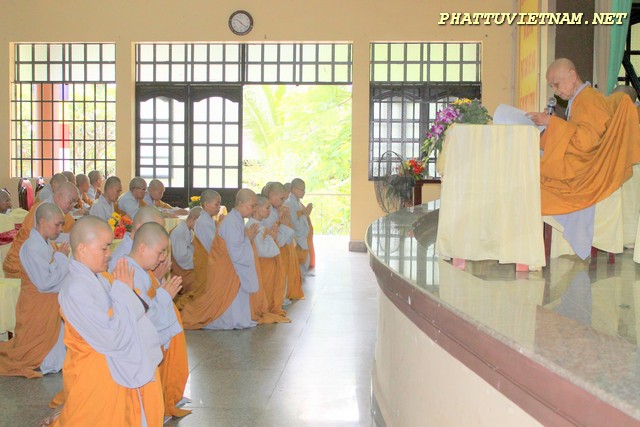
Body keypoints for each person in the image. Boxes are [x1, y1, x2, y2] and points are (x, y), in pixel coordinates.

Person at [49, 216, 164, 426]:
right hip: (93, 372)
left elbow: (124, 312)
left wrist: (125, 292)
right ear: (82, 248)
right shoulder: (76, 289)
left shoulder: (99, 278)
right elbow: (111, 337)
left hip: (109, 369)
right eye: (104, 248)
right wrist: (124, 292)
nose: (109, 254)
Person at [528, 58, 640, 215]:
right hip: (579, 167)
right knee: (532, 178)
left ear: (572, 76)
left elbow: (586, 143)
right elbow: (575, 133)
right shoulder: (578, 99)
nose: (555, 91)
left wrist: (552, 123)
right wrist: (552, 124)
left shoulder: (589, 99)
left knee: (534, 189)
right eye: (551, 86)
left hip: (586, 175)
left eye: (557, 84)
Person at [122, 222, 190, 419]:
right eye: (160, 252)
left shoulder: (140, 270)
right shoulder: (128, 273)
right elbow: (142, 318)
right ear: (143, 248)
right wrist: (164, 296)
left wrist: (160, 286)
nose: (162, 259)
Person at [0, 203, 70, 378]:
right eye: (57, 224)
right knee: (30, 352)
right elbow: (44, 282)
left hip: (48, 305)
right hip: (36, 306)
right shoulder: (31, 246)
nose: (60, 229)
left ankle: (47, 361)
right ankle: (37, 361)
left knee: (55, 349)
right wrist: (61, 259)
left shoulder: (46, 243)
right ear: (43, 221)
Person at [181, 189, 260, 330]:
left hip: (229, 266)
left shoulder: (236, 219)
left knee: (234, 296)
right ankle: (226, 320)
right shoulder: (232, 222)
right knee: (225, 298)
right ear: (241, 203)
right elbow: (235, 251)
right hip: (225, 267)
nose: (254, 209)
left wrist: (246, 239)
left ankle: (236, 319)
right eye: (252, 205)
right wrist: (248, 239)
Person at [3, 182, 77, 278]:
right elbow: (49, 237)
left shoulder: (52, 208)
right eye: (71, 201)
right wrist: (74, 238)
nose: (72, 206)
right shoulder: (43, 210)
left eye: (74, 202)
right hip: (20, 266)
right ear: (59, 196)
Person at [247, 194, 289, 322]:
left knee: (269, 288)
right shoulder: (253, 226)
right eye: (267, 208)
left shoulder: (260, 225)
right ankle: (263, 308)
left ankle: (269, 306)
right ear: (256, 208)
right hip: (262, 265)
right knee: (264, 288)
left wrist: (272, 236)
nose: (269, 211)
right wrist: (271, 237)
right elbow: (261, 250)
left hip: (268, 264)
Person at [264, 182, 303, 301]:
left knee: (283, 273)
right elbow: (274, 238)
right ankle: (277, 298)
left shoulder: (275, 210)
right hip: (272, 251)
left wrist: (283, 219)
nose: (283, 202)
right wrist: (284, 224)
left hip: (282, 248)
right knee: (276, 276)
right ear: (272, 195)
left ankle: (281, 296)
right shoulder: (267, 213)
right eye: (281, 199)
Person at [108, 206, 164, 272]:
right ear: (139, 228)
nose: (160, 237)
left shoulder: (145, 251)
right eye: (156, 231)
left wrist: (156, 277)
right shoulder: (124, 260)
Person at [284, 178, 315, 275]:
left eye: (304, 190)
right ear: (293, 189)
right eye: (301, 189)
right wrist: (305, 214)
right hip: (295, 239)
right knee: (297, 266)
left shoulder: (298, 203)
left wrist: (305, 214)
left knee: (302, 265)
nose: (303, 192)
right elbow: (295, 226)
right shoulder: (289, 203)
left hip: (302, 238)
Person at [170, 206, 202, 294]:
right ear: (194, 219)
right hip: (181, 271)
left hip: (186, 267)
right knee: (202, 280)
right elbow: (182, 257)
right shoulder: (179, 232)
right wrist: (198, 260)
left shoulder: (188, 230)